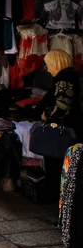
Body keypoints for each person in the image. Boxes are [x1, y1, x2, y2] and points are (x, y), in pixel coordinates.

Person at [38, 50, 82, 199]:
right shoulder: (74, 76)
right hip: (74, 131)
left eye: (48, 65)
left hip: (66, 133)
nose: (48, 69)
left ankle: (62, 207)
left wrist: (47, 115)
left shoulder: (65, 80)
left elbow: (63, 107)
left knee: (62, 170)